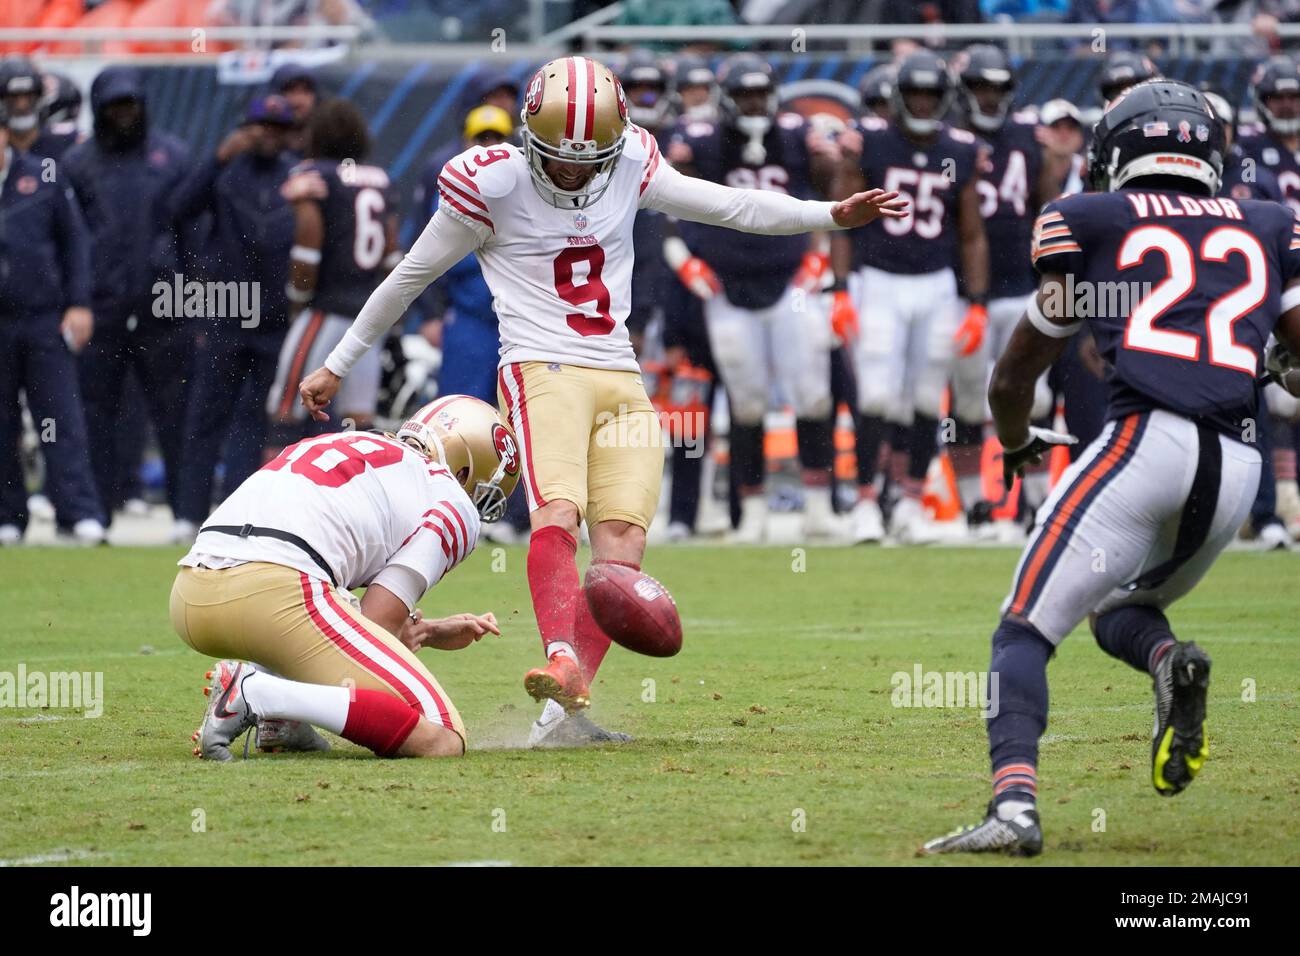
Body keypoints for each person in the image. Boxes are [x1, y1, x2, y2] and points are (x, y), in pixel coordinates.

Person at [296, 55, 906, 744]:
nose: (574, 173)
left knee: (621, 549)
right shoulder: (490, 182)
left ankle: (560, 716)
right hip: (541, 366)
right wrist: (337, 363)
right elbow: (408, 278)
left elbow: (731, 205)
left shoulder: (631, 161)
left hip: (619, 373)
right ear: (531, 134)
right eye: (559, 159)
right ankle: (558, 654)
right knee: (557, 510)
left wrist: (827, 213)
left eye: (589, 160)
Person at [923, 79, 1300, 856]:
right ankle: (1168, 662)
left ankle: (1015, 809)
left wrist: (1018, 435)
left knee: (1022, 630)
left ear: (1115, 154)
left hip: (1144, 442)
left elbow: (1014, 374)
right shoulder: (1270, 220)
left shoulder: (1087, 217)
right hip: (1234, 465)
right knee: (1121, 608)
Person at [175, 395, 517, 760]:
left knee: (322, 588)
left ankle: (282, 718)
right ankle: (259, 694)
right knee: (443, 736)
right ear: (465, 470)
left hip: (190, 597)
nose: (476, 504)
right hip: (277, 594)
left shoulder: (335, 441)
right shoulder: (451, 497)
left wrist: (426, 631)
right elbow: (377, 620)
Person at [666, 54, 844, 543]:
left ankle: (818, 505)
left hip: (790, 283)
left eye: (760, 94)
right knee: (746, 404)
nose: (753, 104)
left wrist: (820, 253)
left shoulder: (794, 134)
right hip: (727, 285)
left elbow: (832, 185)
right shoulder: (702, 139)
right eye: (744, 95)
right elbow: (664, 200)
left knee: (812, 394)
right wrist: (686, 259)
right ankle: (754, 510)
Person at [832, 50, 989, 544]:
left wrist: (978, 301)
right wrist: (839, 289)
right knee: (876, 394)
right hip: (879, 278)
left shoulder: (961, 149)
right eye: (915, 95)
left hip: (937, 284)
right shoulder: (871, 142)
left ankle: (911, 503)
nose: (922, 104)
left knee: (926, 397)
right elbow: (840, 220)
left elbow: (971, 233)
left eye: (931, 96)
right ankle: (864, 503)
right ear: (898, 97)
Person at [949, 44, 1075, 537]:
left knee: (1033, 396)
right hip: (963, 288)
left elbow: (1046, 205)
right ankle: (975, 506)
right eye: (981, 86)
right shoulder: (951, 140)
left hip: (1020, 281)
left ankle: (1036, 501)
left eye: (998, 87)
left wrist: (1058, 164)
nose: (989, 96)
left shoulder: (1026, 135)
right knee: (965, 401)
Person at [62, 66, 194, 528]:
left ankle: (186, 511)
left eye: (130, 104)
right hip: (100, 306)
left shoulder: (173, 156)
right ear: (97, 108)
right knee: (93, 412)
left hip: (164, 306)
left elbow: (194, 233)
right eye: (114, 105)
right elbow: (67, 240)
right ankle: (96, 511)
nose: (123, 114)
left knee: (174, 411)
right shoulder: (76, 164)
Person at [169, 95, 298, 542]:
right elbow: (176, 210)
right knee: (207, 414)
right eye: (260, 125)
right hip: (227, 310)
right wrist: (218, 157)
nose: (268, 134)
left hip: (277, 318)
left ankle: (238, 517)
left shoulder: (296, 176)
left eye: (278, 127)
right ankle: (187, 514)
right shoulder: (225, 171)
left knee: (256, 419)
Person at [0, 101, 103, 546]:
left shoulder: (42, 172)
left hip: (43, 315)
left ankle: (76, 511)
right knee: (2, 421)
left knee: (59, 417)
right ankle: (8, 515)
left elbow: (74, 242)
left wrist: (78, 303)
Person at [267, 99, 398, 438]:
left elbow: (308, 241)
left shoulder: (314, 174)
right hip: (367, 314)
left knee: (285, 410)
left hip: (326, 308)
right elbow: (391, 250)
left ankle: (281, 486)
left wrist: (298, 296)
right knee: (359, 422)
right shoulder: (378, 179)